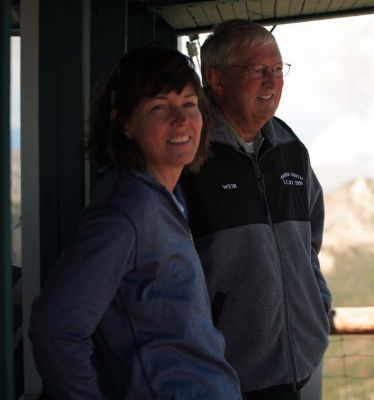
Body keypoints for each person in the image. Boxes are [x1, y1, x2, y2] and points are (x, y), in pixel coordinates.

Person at [29, 46, 241, 399]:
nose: (181, 119)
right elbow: (55, 328)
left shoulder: (165, 195)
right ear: (123, 123)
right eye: (159, 107)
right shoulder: (126, 214)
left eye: (189, 104)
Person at [181, 19, 332, 399]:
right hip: (220, 373)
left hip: (298, 364)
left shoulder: (289, 147)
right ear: (216, 80)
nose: (272, 81)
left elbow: (308, 245)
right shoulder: (189, 154)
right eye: (257, 71)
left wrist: (318, 305)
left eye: (278, 69)